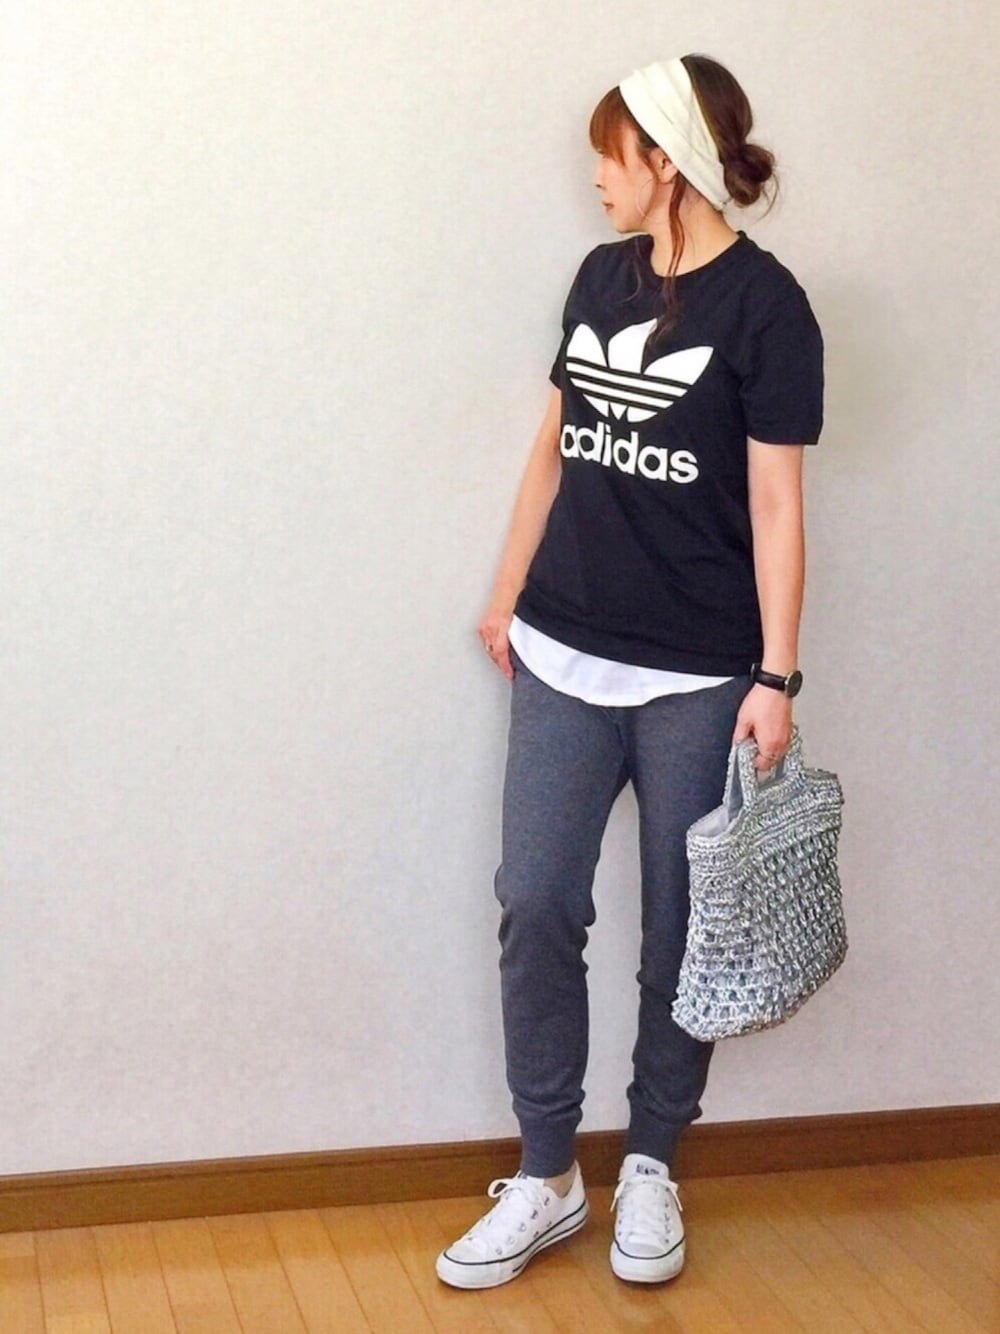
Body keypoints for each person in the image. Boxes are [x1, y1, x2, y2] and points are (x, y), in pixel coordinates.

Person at [435, 52, 824, 1290]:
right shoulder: (599, 277)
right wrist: (506, 589)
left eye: (611, 153)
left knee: (679, 931)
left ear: (667, 158)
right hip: (562, 645)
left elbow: (777, 504)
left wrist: (776, 676)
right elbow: (554, 447)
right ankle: (547, 1172)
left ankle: (651, 1158)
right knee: (537, 899)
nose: (596, 176)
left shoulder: (767, 308)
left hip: (700, 673)